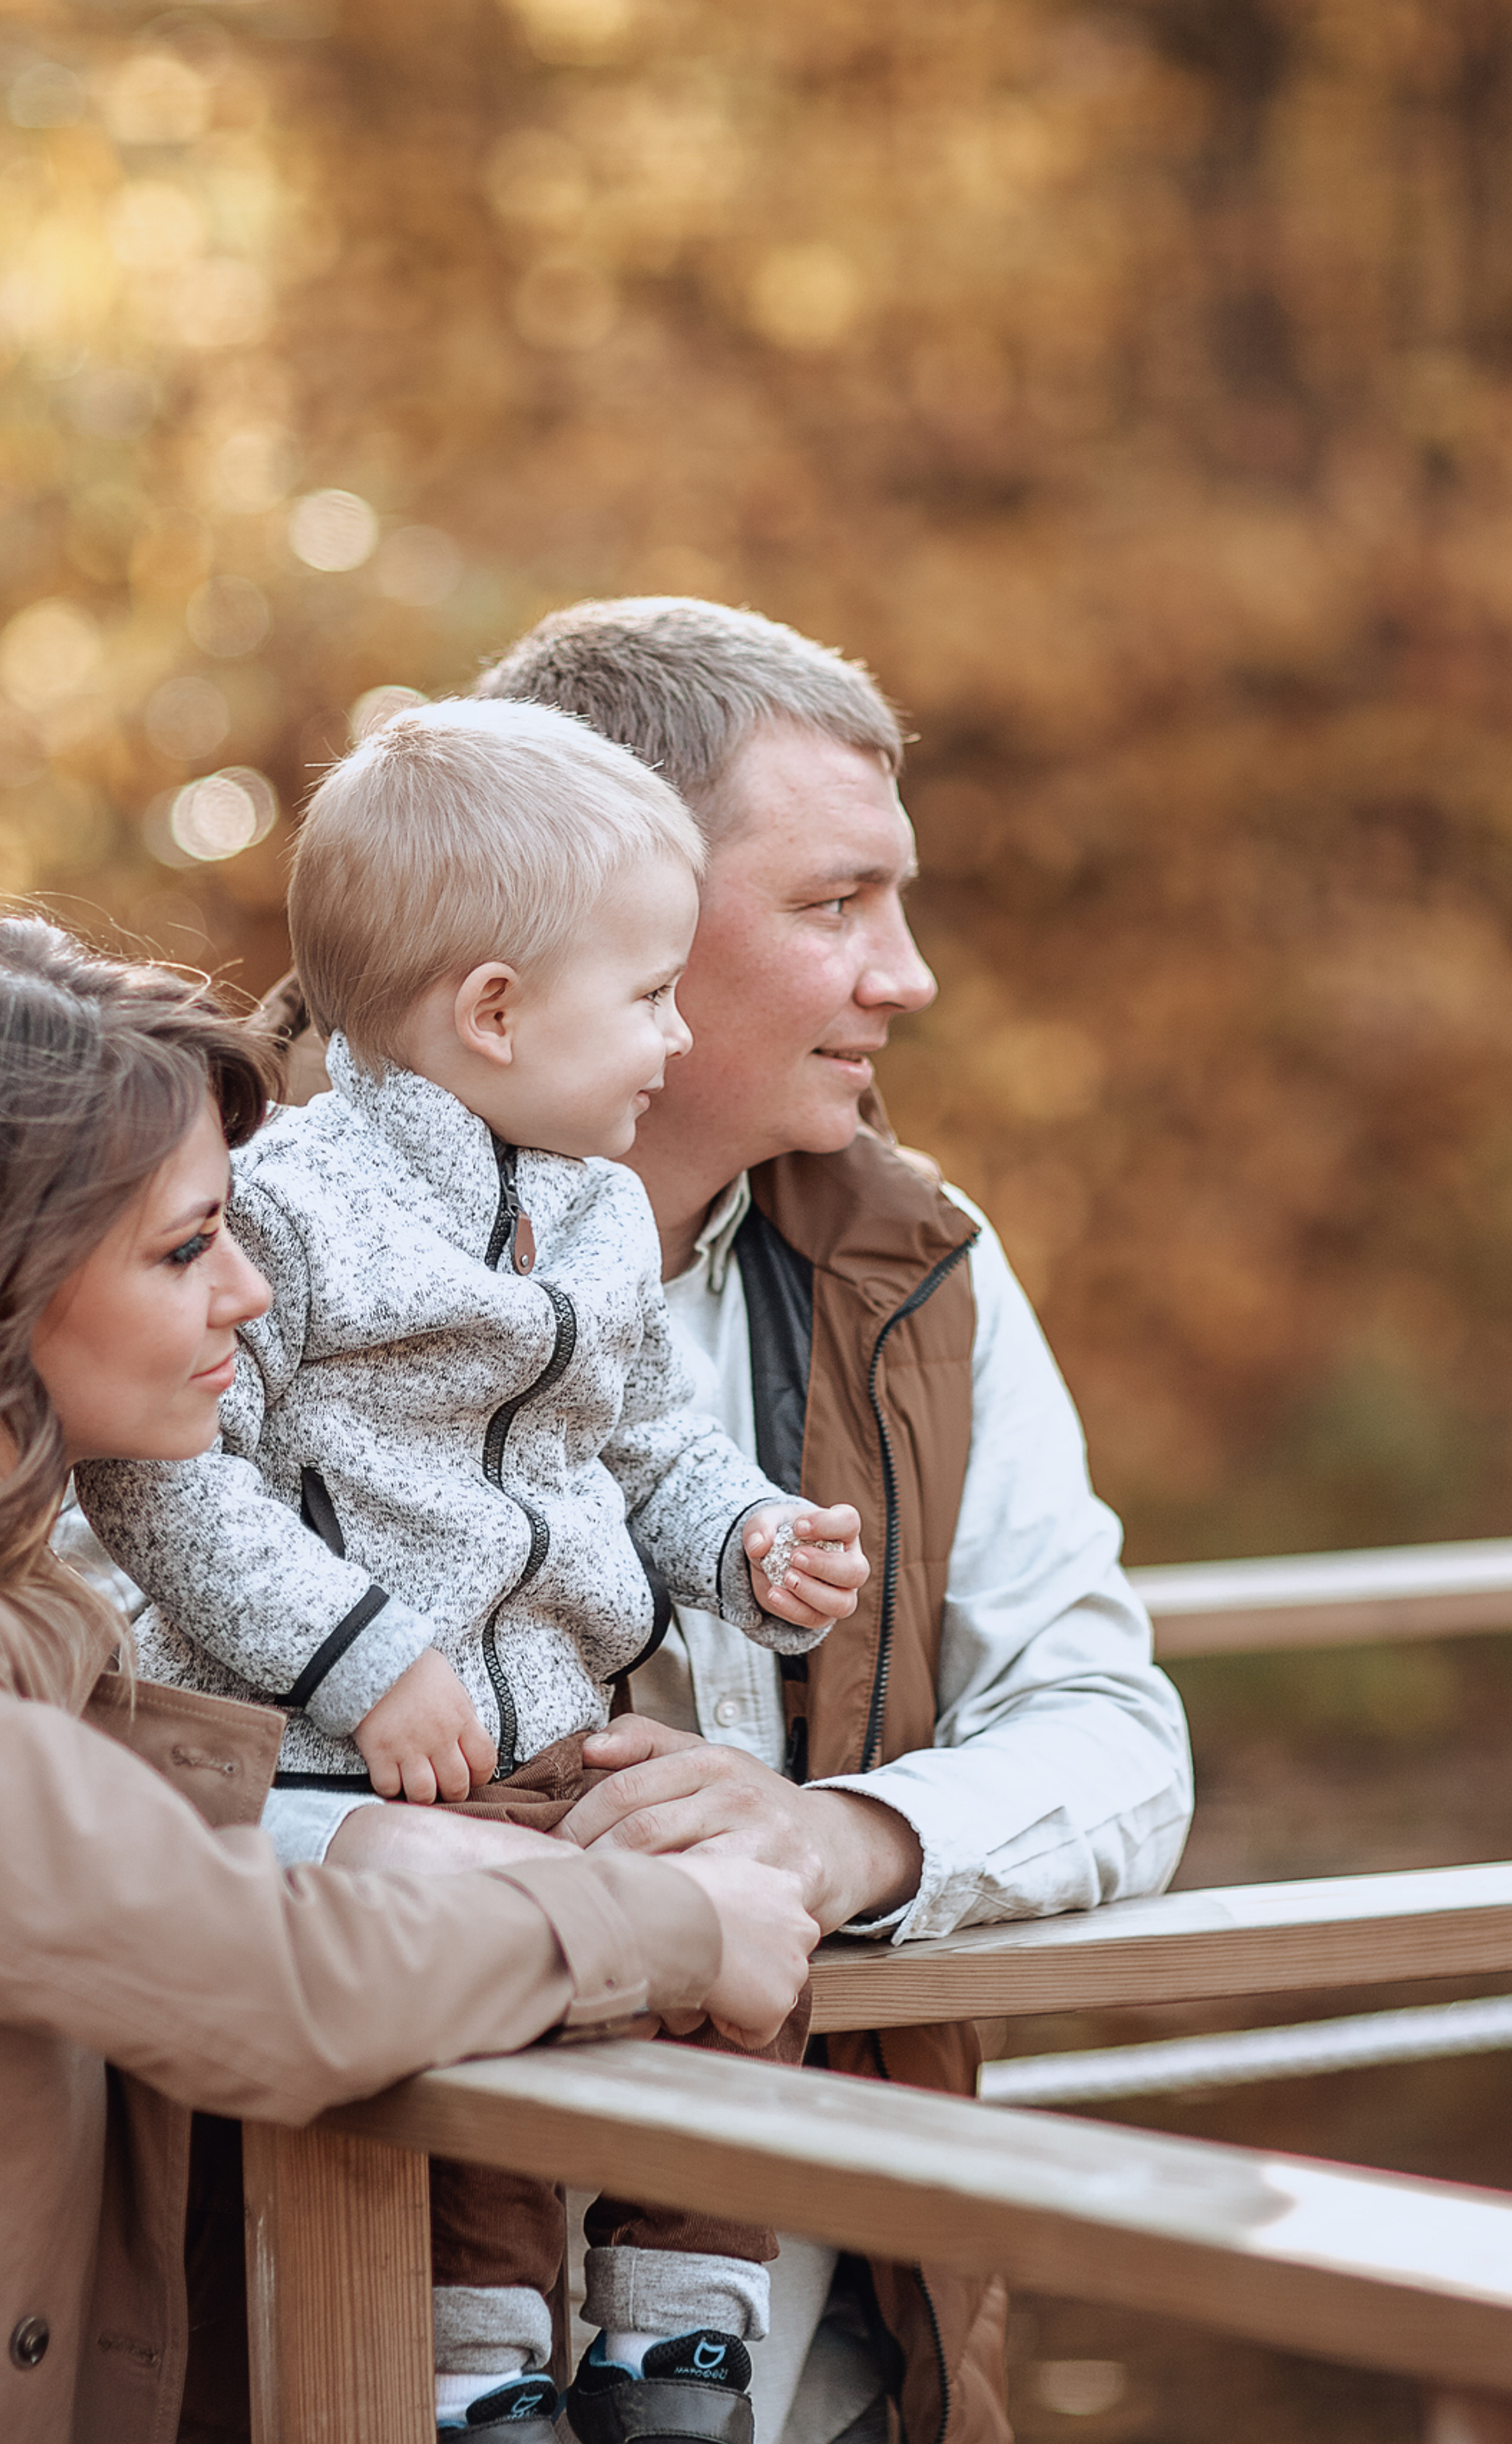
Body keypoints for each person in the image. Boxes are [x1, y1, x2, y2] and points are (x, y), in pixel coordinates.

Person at [258, 597, 1195, 2444]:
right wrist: (403, 1852)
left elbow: (1115, 1731)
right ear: (584, 926)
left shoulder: (918, 1266)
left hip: (819, 2371)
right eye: (836, 903)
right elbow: (72, 1764)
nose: (907, 976)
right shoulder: (214, 1231)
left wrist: (838, 1837)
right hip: (331, 2338)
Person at [0, 906, 821, 2444]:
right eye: (185, 1247)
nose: (248, 1294)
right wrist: (673, 1923)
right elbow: (248, 1980)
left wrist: (341, 1832)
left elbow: (75, 1832)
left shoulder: (3, 1614)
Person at [78, 699, 869, 2444]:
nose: (675, 1035)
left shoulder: (595, 1208)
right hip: (349, 1753)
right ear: (495, 1011)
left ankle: (679, 2339)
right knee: (481, 2013)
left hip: (554, 1728)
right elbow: (163, 1485)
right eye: (648, 995)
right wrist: (359, 1654)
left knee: (745, 1916)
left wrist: (744, 1539)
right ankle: (478, 2367)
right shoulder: (284, 1209)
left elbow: (642, 1440)